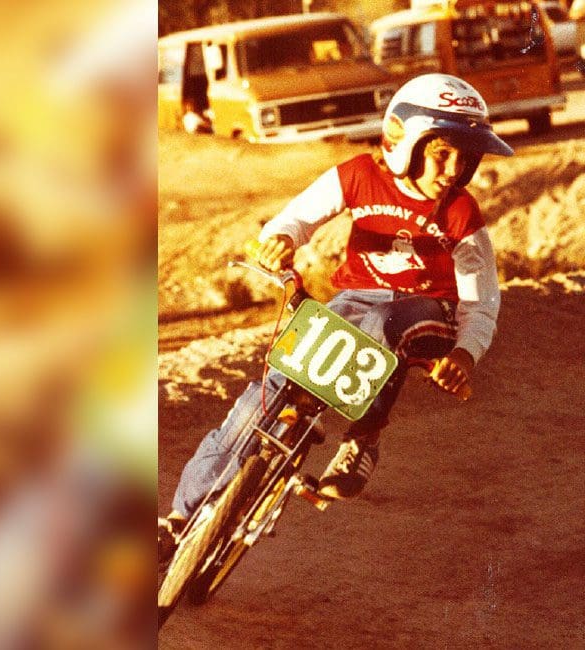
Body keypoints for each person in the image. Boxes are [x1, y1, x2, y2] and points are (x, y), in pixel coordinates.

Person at [159, 73, 511, 556]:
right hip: (355, 297)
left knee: (384, 327)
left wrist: (466, 354)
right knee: (260, 394)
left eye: (466, 158)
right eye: (442, 153)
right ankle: (180, 518)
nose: (453, 168)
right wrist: (283, 237)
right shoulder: (360, 175)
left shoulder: (462, 215)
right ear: (403, 139)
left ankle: (363, 438)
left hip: (430, 312)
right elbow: (300, 215)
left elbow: (481, 298)